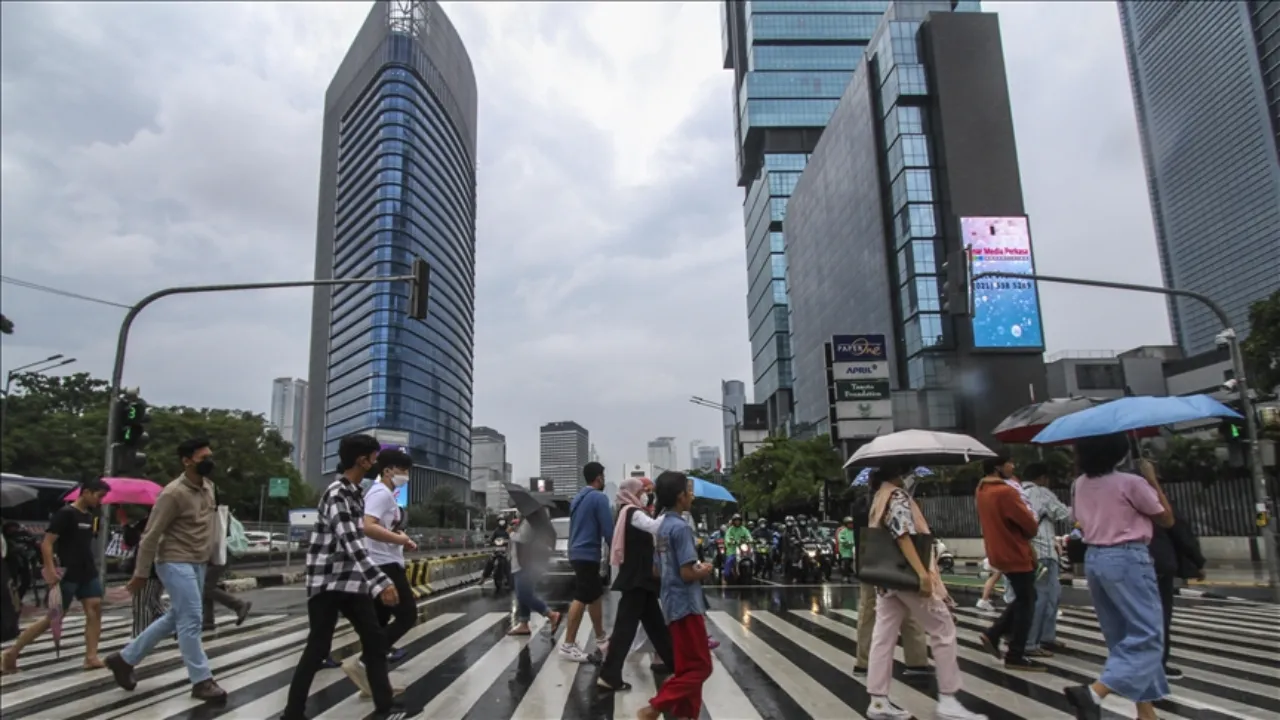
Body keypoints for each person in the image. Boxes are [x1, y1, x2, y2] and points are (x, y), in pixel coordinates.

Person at [280, 434, 412, 720]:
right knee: (317, 648)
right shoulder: (338, 493)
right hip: (327, 582)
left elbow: (357, 542)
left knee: (375, 641)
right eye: (373, 458)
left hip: (351, 581)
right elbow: (351, 542)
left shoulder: (355, 493)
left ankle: (385, 708)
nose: (376, 463)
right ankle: (292, 714)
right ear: (361, 460)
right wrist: (381, 582)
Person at [1063, 433, 1174, 720]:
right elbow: (1165, 518)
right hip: (1127, 557)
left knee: (1122, 636)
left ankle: (1146, 712)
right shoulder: (1130, 482)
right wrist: (1151, 479)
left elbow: (1078, 519)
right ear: (1117, 454)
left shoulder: (1079, 484)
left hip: (1095, 558)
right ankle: (1095, 693)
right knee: (1148, 634)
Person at [861, 466, 986, 720]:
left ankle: (877, 700)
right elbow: (902, 534)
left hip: (887, 578)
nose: (911, 478)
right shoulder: (896, 496)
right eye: (909, 473)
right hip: (906, 576)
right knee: (943, 628)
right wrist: (921, 573)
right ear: (900, 474)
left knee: (883, 636)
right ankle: (949, 698)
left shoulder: (879, 496)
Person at [105, 440, 226, 701]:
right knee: (192, 617)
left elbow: (210, 525)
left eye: (210, 456)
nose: (209, 461)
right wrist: (140, 573)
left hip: (198, 561)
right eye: (203, 457)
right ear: (186, 461)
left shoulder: (209, 488)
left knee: (176, 616)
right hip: (173, 560)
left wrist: (216, 556)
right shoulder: (172, 493)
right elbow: (150, 535)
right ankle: (202, 680)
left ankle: (125, 659)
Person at [1, 477, 112, 674]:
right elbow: (47, 543)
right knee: (52, 618)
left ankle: (91, 656)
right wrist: (50, 571)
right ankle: (12, 652)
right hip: (68, 572)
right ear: (86, 492)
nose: (100, 501)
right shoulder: (65, 514)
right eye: (99, 496)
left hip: (87, 571)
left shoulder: (89, 516)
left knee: (95, 609)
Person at [638, 472, 713, 720]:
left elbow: (656, 569)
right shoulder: (680, 528)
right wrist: (705, 570)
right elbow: (687, 572)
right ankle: (656, 706)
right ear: (681, 497)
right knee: (701, 667)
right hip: (687, 605)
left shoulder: (662, 526)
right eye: (689, 491)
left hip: (670, 603)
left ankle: (685, 716)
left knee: (686, 668)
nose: (691, 495)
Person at [597, 477, 676, 692]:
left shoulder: (631, 511)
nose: (647, 494)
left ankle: (676, 666)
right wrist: (671, 509)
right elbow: (653, 527)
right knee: (626, 628)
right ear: (632, 491)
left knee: (656, 626)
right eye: (644, 490)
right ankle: (609, 674)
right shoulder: (632, 512)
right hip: (637, 578)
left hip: (641, 579)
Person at [852, 471, 930, 678]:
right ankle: (917, 661)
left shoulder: (863, 502)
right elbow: (903, 533)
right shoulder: (894, 499)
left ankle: (864, 661)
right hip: (897, 562)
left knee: (868, 612)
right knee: (910, 611)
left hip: (869, 563)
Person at [975, 455, 1043, 672]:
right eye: (1009, 463)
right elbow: (1030, 526)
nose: (1013, 467)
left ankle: (994, 634)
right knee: (1027, 601)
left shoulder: (981, 491)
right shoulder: (1005, 492)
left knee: (1026, 596)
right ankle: (1015, 651)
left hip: (998, 551)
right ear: (998, 467)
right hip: (1015, 551)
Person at [362, 448, 419, 663]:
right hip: (384, 565)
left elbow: (382, 527)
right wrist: (400, 540)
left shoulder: (386, 494)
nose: (406, 475)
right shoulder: (380, 493)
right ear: (387, 470)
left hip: (384, 560)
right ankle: (367, 659)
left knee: (381, 620)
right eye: (402, 470)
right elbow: (368, 526)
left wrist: (403, 538)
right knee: (407, 615)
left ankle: (374, 679)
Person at [559, 461, 614, 663]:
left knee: (594, 594)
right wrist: (618, 551)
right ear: (599, 477)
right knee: (583, 595)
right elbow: (608, 529)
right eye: (603, 476)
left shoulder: (578, 499)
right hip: (588, 552)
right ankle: (568, 645)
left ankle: (601, 638)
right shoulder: (599, 498)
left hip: (576, 551)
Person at [1148, 494, 1204, 680]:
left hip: (1130, 564)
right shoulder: (1157, 502)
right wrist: (1197, 562)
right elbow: (1178, 530)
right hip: (1159, 564)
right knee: (1161, 615)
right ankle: (1157, 664)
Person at [1016, 463, 1071, 657]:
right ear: (1042, 478)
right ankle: (1031, 642)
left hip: (1025, 551)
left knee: (1039, 597)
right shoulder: (1042, 492)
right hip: (1044, 552)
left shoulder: (1016, 491)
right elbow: (1065, 515)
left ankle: (1044, 637)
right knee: (1044, 598)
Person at [203, 485, 252, 632]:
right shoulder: (219, 512)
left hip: (222, 552)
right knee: (206, 585)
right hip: (220, 552)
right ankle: (207, 621)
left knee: (206, 585)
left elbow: (216, 537)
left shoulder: (216, 513)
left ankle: (239, 605)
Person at [508, 510, 561, 637]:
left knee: (524, 595)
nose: (517, 511)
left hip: (525, 564)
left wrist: (511, 533)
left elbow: (523, 538)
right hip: (523, 563)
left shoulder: (528, 522)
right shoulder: (526, 522)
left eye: (518, 509)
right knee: (524, 594)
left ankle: (551, 614)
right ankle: (524, 624)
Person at [123, 512, 166, 638]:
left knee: (142, 604)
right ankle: (173, 625)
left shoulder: (152, 520)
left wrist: (125, 524)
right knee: (153, 602)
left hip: (148, 570)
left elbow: (134, 541)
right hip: (159, 568)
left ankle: (140, 636)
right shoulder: (166, 519)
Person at [721, 514, 753, 581]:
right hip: (732, 550)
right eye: (736, 521)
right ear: (733, 521)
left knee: (752, 557)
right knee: (729, 561)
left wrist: (750, 540)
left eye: (738, 520)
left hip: (742, 550)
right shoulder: (730, 530)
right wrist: (730, 541)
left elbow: (749, 536)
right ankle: (726, 575)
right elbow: (727, 538)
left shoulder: (744, 529)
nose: (737, 522)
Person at [838, 516, 856, 580]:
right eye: (849, 523)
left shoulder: (855, 531)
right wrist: (849, 542)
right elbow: (841, 540)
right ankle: (845, 576)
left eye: (852, 523)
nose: (851, 525)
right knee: (846, 562)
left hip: (853, 550)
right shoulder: (843, 531)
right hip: (845, 550)